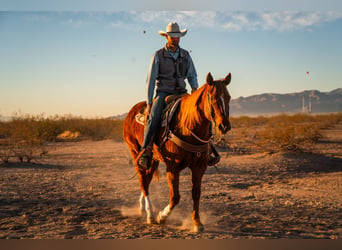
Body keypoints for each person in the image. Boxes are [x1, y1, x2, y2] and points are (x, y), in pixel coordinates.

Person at [137, 22, 220, 170]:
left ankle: (208, 148)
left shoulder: (185, 55)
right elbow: (150, 81)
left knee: (201, 114)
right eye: (173, 36)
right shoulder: (158, 55)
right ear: (166, 37)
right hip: (163, 92)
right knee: (154, 116)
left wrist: (194, 88)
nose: (175, 39)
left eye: (178, 36)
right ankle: (146, 151)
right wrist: (149, 102)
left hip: (182, 93)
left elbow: (192, 74)